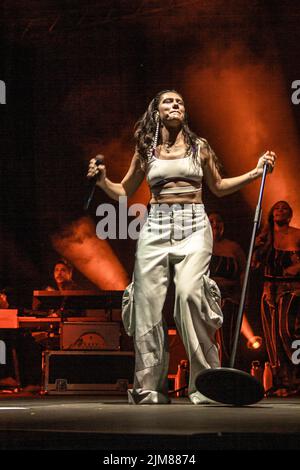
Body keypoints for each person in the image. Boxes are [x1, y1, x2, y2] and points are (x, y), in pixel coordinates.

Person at [88, 89, 276, 405]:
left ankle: (206, 384)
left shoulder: (198, 147)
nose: (175, 104)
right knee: (147, 302)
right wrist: (102, 180)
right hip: (157, 222)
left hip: (193, 222)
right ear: (157, 111)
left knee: (191, 293)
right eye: (168, 101)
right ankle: (149, 387)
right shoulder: (146, 150)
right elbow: (124, 190)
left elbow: (218, 185)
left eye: (180, 102)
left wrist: (255, 173)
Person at [253, 201, 300, 395]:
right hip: (269, 288)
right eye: (277, 208)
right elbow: (254, 265)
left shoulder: (297, 234)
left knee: (286, 331)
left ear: (289, 215)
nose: (280, 210)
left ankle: (297, 376)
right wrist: (256, 247)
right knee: (272, 338)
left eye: (284, 208)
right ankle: (282, 381)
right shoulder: (265, 237)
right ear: (272, 214)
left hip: (292, 288)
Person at [208, 212, 247, 365]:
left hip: (230, 298)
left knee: (227, 340)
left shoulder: (233, 247)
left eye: (219, 221)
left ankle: (225, 376)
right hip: (205, 298)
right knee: (205, 339)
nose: (215, 224)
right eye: (211, 221)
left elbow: (244, 271)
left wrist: (243, 295)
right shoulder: (198, 245)